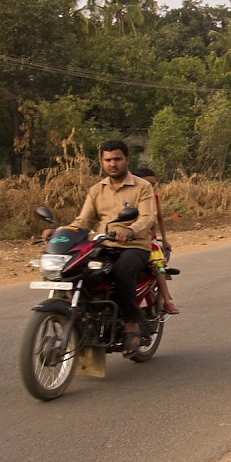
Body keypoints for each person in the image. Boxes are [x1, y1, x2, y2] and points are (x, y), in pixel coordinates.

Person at [69, 140, 157, 357]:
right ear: (102, 162)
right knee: (79, 270)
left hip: (135, 246)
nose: (113, 164)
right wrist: (62, 232)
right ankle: (84, 315)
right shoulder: (96, 190)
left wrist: (131, 230)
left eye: (117, 159)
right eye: (108, 160)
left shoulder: (142, 187)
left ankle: (130, 324)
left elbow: (148, 217)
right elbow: (83, 221)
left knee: (121, 270)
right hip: (104, 244)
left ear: (127, 159)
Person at [133, 168, 179, 315]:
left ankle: (167, 300)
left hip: (147, 241)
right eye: (148, 184)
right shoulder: (129, 197)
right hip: (128, 240)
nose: (151, 188)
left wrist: (165, 240)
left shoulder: (154, 198)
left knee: (158, 265)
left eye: (153, 185)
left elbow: (158, 220)